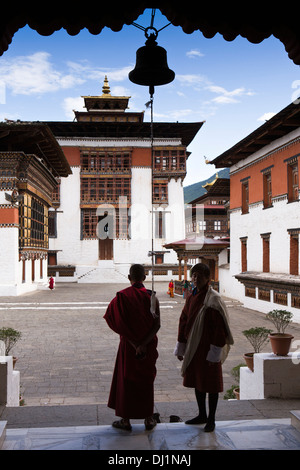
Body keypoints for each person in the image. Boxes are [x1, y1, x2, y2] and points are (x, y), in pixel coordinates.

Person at [174, 263, 234, 432]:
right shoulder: (192, 296)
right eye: (194, 276)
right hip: (194, 347)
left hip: (208, 349)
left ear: (208, 278)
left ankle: (212, 419)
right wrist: (181, 346)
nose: (196, 279)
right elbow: (183, 320)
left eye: (200, 276)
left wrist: (214, 353)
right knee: (198, 382)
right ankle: (202, 414)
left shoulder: (213, 299)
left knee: (211, 385)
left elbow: (219, 328)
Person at [104, 264, 160, 431]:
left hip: (129, 347)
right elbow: (157, 325)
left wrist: (135, 344)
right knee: (146, 380)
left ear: (129, 278)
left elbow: (114, 320)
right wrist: (143, 344)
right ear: (144, 277)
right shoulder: (152, 297)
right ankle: (149, 419)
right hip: (148, 346)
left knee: (126, 380)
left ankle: (125, 420)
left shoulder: (122, 297)